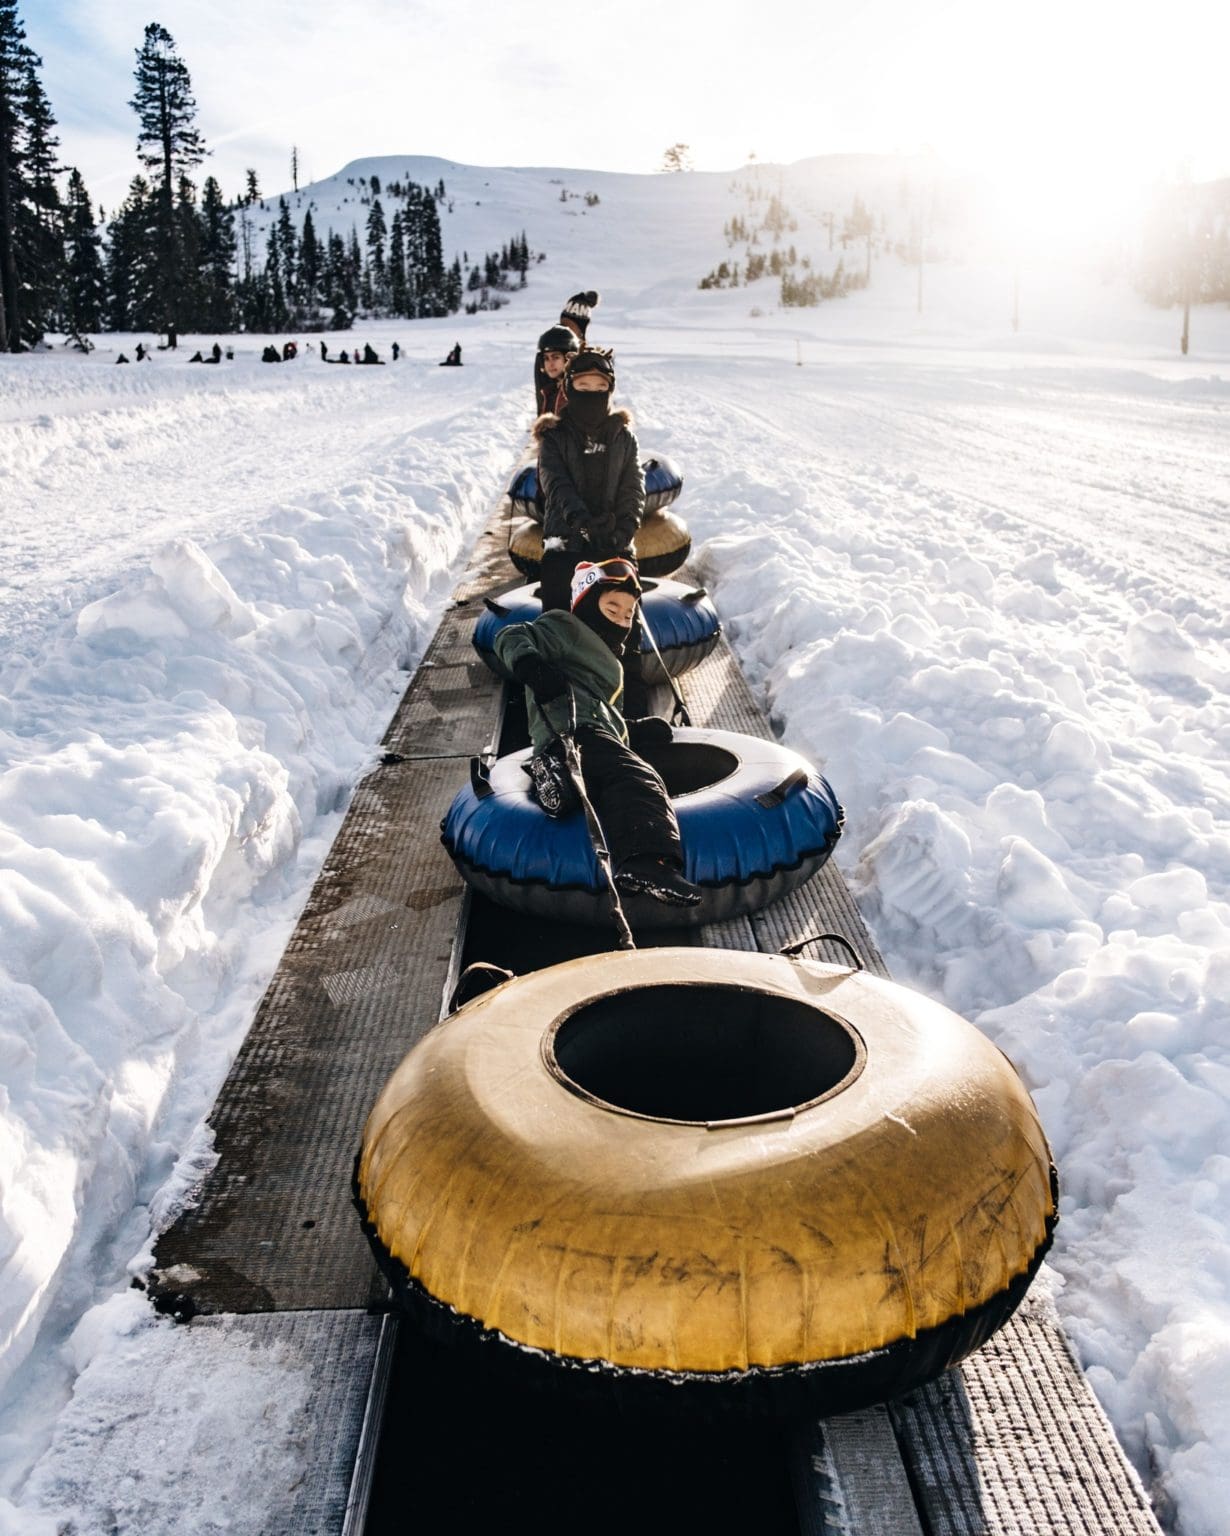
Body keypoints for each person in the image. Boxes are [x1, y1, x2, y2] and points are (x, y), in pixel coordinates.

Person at [494, 558, 699, 909]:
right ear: (588, 605)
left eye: (628, 613)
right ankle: (645, 863)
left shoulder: (610, 660)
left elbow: (602, 710)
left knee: (614, 771)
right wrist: (533, 667)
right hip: (570, 730)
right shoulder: (566, 626)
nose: (622, 619)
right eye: (612, 608)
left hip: (592, 733)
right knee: (636, 777)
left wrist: (630, 731)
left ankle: (560, 782)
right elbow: (512, 634)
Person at [534, 345, 647, 712]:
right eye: (584, 384)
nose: (592, 391)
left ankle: (631, 713)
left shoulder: (623, 436)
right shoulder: (553, 437)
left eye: (600, 385)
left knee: (625, 630)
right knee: (560, 627)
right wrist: (581, 523)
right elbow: (556, 485)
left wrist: (623, 530)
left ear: (609, 389)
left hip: (614, 543)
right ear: (569, 387)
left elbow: (634, 486)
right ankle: (562, 714)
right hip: (567, 543)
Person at [533, 323, 578, 417]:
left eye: (556, 357)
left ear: (568, 358)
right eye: (546, 358)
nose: (550, 363)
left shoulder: (578, 390)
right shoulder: (549, 390)